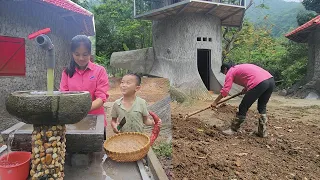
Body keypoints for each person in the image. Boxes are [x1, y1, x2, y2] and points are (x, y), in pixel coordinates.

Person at [59, 35, 109, 139]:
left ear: (90, 53)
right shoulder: (67, 72)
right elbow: (63, 95)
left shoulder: (99, 71)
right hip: (73, 120)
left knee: (96, 152)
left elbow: (101, 97)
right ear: (72, 53)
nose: (81, 58)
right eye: (77, 54)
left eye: (85, 54)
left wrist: (82, 110)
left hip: (95, 119)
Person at [211, 63, 275, 137]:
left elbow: (225, 91)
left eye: (224, 73)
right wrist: (246, 88)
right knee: (262, 106)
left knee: (243, 107)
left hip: (259, 82)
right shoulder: (239, 67)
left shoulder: (230, 71)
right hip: (270, 80)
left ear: (225, 69)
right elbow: (251, 76)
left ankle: (233, 129)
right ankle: (262, 132)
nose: (225, 75)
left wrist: (215, 102)